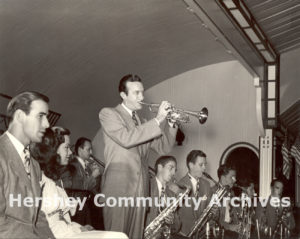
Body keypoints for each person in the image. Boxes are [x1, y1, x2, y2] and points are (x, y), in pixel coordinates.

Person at [99, 74, 178, 238]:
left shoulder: (142, 122)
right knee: (116, 236)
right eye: (136, 93)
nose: (142, 97)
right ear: (123, 95)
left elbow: (163, 147)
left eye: (142, 92)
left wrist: (171, 124)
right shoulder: (109, 114)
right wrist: (158, 119)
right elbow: (126, 139)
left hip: (141, 189)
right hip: (119, 188)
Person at [30, 127, 128, 239]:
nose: (71, 152)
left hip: (69, 228)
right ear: (53, 150)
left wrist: (78, 228)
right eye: (66, 147)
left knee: (120, 235)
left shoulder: (56, 180)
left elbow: (62, 218)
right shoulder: (40, 181)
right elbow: (44, 225)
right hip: (60, 233)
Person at [0, 91, 54, 238]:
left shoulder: (34, 165)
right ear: (19, 116)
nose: (47, 124)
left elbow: (36, 218)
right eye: (40, 116)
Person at [175, 150, 212, 237]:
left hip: (201, 234)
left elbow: (209, 210)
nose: (204, 168)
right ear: (191, 165)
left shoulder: (207, 184)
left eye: (205, 164)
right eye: (201, 165)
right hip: (183, 234)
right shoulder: (179, 185)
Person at [146, 155, 182, 239]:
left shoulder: (172, 194)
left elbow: (178, 226)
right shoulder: (146, 187)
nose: (173, 173)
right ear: (160, 167)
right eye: (171, 168)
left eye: (175, 170)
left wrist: (172, 220)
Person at [211, 164, 239, 238]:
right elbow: (212, 220)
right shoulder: (212, 192)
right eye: (232, 177)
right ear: (223, 178)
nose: (235, 180)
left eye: (235, 177)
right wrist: (229, 227)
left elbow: (233, 215)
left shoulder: (231, 192)